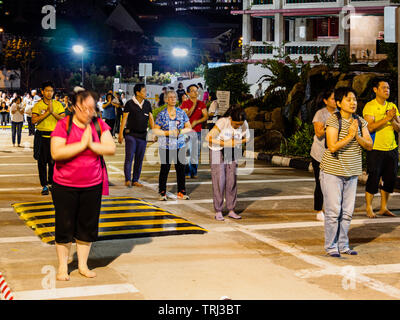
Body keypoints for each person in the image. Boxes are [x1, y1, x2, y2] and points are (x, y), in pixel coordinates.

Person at [50, 88, 115, 281]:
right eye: (84, 108)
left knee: (87, 226)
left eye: (92, 108)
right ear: (74, 106)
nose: (88, 112)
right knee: (64, 225)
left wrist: (92, 145)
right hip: (64, 185)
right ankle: (63, 266)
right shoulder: (64, 125)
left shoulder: (99, 125)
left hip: (92, 184)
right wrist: (81, 145)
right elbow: (56, 153)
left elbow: (110, 148)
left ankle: (82, 265)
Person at [320, 87, 372, 257]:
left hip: (352, 172)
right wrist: (350, 136)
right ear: (339, 103)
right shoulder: (333, 120)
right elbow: (332, 146)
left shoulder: (360, 121)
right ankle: (331, 246)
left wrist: (356, 135)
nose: (353, 103)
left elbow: (369, 145)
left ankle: (343, 245)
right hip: (332, 172)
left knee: (348, 212)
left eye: (354, 99)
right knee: (334, 211)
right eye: (348, 99)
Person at [363, 78, 400, 219]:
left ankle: (384, 207)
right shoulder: (370, 106)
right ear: (375, 90)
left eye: (388, 88)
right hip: (375, 148)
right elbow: (370, 126)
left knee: (390, 179)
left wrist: (392, 119)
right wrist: (387, 118)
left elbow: (398, 128)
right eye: (384, 88)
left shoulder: (392, 106)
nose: (387, 90)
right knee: (373, 178)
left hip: (391, 148)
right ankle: (369, 207)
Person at [206, 107, 250, 221]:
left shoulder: (244, 123)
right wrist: (224, 142)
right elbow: (208, 137)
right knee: (219, 180)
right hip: (216, 149)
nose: (238, 127)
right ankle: (218, 210)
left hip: (232, 150)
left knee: (231, 180)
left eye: (240, 125)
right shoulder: (223, 122)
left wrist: (238, 142)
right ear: (230, 119)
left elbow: (248, 137)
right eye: (236, 124)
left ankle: (231, 209)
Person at [152, 90, 192, 200]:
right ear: (165, 100)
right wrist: (167, 133)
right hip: (165, 146)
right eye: (170, 97)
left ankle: (181, 192)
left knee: (181, 169)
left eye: (174, 97)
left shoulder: (181, 113)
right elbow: (155, 130)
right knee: (165, 169)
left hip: (180, 145)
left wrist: (180, 132)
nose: (173, 99)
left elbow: (189, 127)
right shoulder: (162, 114)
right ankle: (162, 192)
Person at [32, 81, 66, 196]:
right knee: (41, 162)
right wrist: (47, 113)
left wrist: (52, 113)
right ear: (42, 92)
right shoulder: (38, 105)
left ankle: (52, 183)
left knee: (54, 162)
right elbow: (34, 120)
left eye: (51, 91)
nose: (49, 93)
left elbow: (63, 119)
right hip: (41, 136)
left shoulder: (58, 104)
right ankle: (44, 185)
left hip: (55, 137)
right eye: (46, 90)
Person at [118, 84, 155, 188]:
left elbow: (151, 118)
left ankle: (135, 180)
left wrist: (154, 133)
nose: (146, 93)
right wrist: (120, 134)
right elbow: (124, 119)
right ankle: (128, 179)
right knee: (129, 157)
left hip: (143, 136)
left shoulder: (147, 104)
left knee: (139, 159)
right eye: (144, 91)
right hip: (131, 135)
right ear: (138, 93)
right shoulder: (129, 103)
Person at [310, 89, 337, 221]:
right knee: (320, 182)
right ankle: (319, 210)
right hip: (319, 154)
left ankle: (332, 208)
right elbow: (319, 133)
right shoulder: (320, 114)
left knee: (334, 183)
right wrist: (331, 126)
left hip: (335, 153)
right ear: (325, 101)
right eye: (332, 98)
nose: (335, 101)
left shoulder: (341, 114)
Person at [181, 84, 208, 179]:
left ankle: (194, 171)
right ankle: (187, 172)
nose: (195, 92)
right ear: (188, 93)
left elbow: (205, 116)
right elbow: (185, 116)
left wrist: (197, 121)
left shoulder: (202, 104)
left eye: (196, 90)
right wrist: (194, 105)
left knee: (196, 153)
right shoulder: (185, 103)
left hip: (198, 132)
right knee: (188, 152)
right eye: (192, 90)